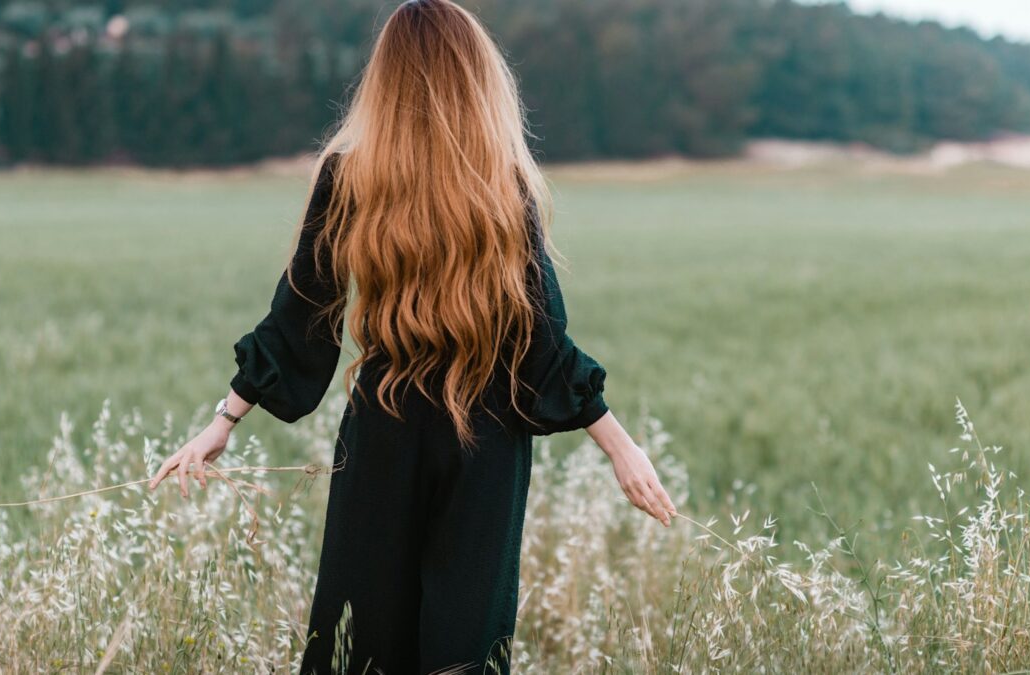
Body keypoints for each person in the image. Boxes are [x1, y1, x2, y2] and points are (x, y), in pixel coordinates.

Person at [148, 0, 677, 672]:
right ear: (475, 76)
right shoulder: (501, 185)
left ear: (386, 80)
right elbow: (540, 341)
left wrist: (223, 420)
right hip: (485, 436)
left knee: (361, 645)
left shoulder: (349, 174)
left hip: (384, 425)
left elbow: (301, 318)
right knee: (465, 650)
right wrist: (620, 445)